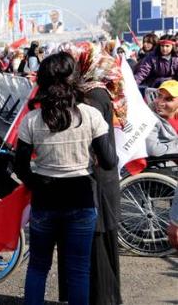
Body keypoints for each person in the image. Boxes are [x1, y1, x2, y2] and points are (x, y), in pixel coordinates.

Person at [14, 52, 117, 305]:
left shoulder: (32, 120)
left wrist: (36, 181)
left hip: (45, 200)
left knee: (38, 267)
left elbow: (20, 165)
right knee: (78, 270)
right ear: (74, 79)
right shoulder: (91, 115)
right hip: (81, 198)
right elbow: (109, 161)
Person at [74, 43, 124, 305]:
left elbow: (95, 145)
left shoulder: (92, 96)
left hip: (96, 179)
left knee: (97, 245)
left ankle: (102, 299)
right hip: (102, 176)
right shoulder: (96, 92)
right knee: (98, 244)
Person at [146, 79, 178, 157]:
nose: (160, 103)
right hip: (163, 165)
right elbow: (154, 150)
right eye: (159, 96)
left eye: (168, 99)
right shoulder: (148, 118)